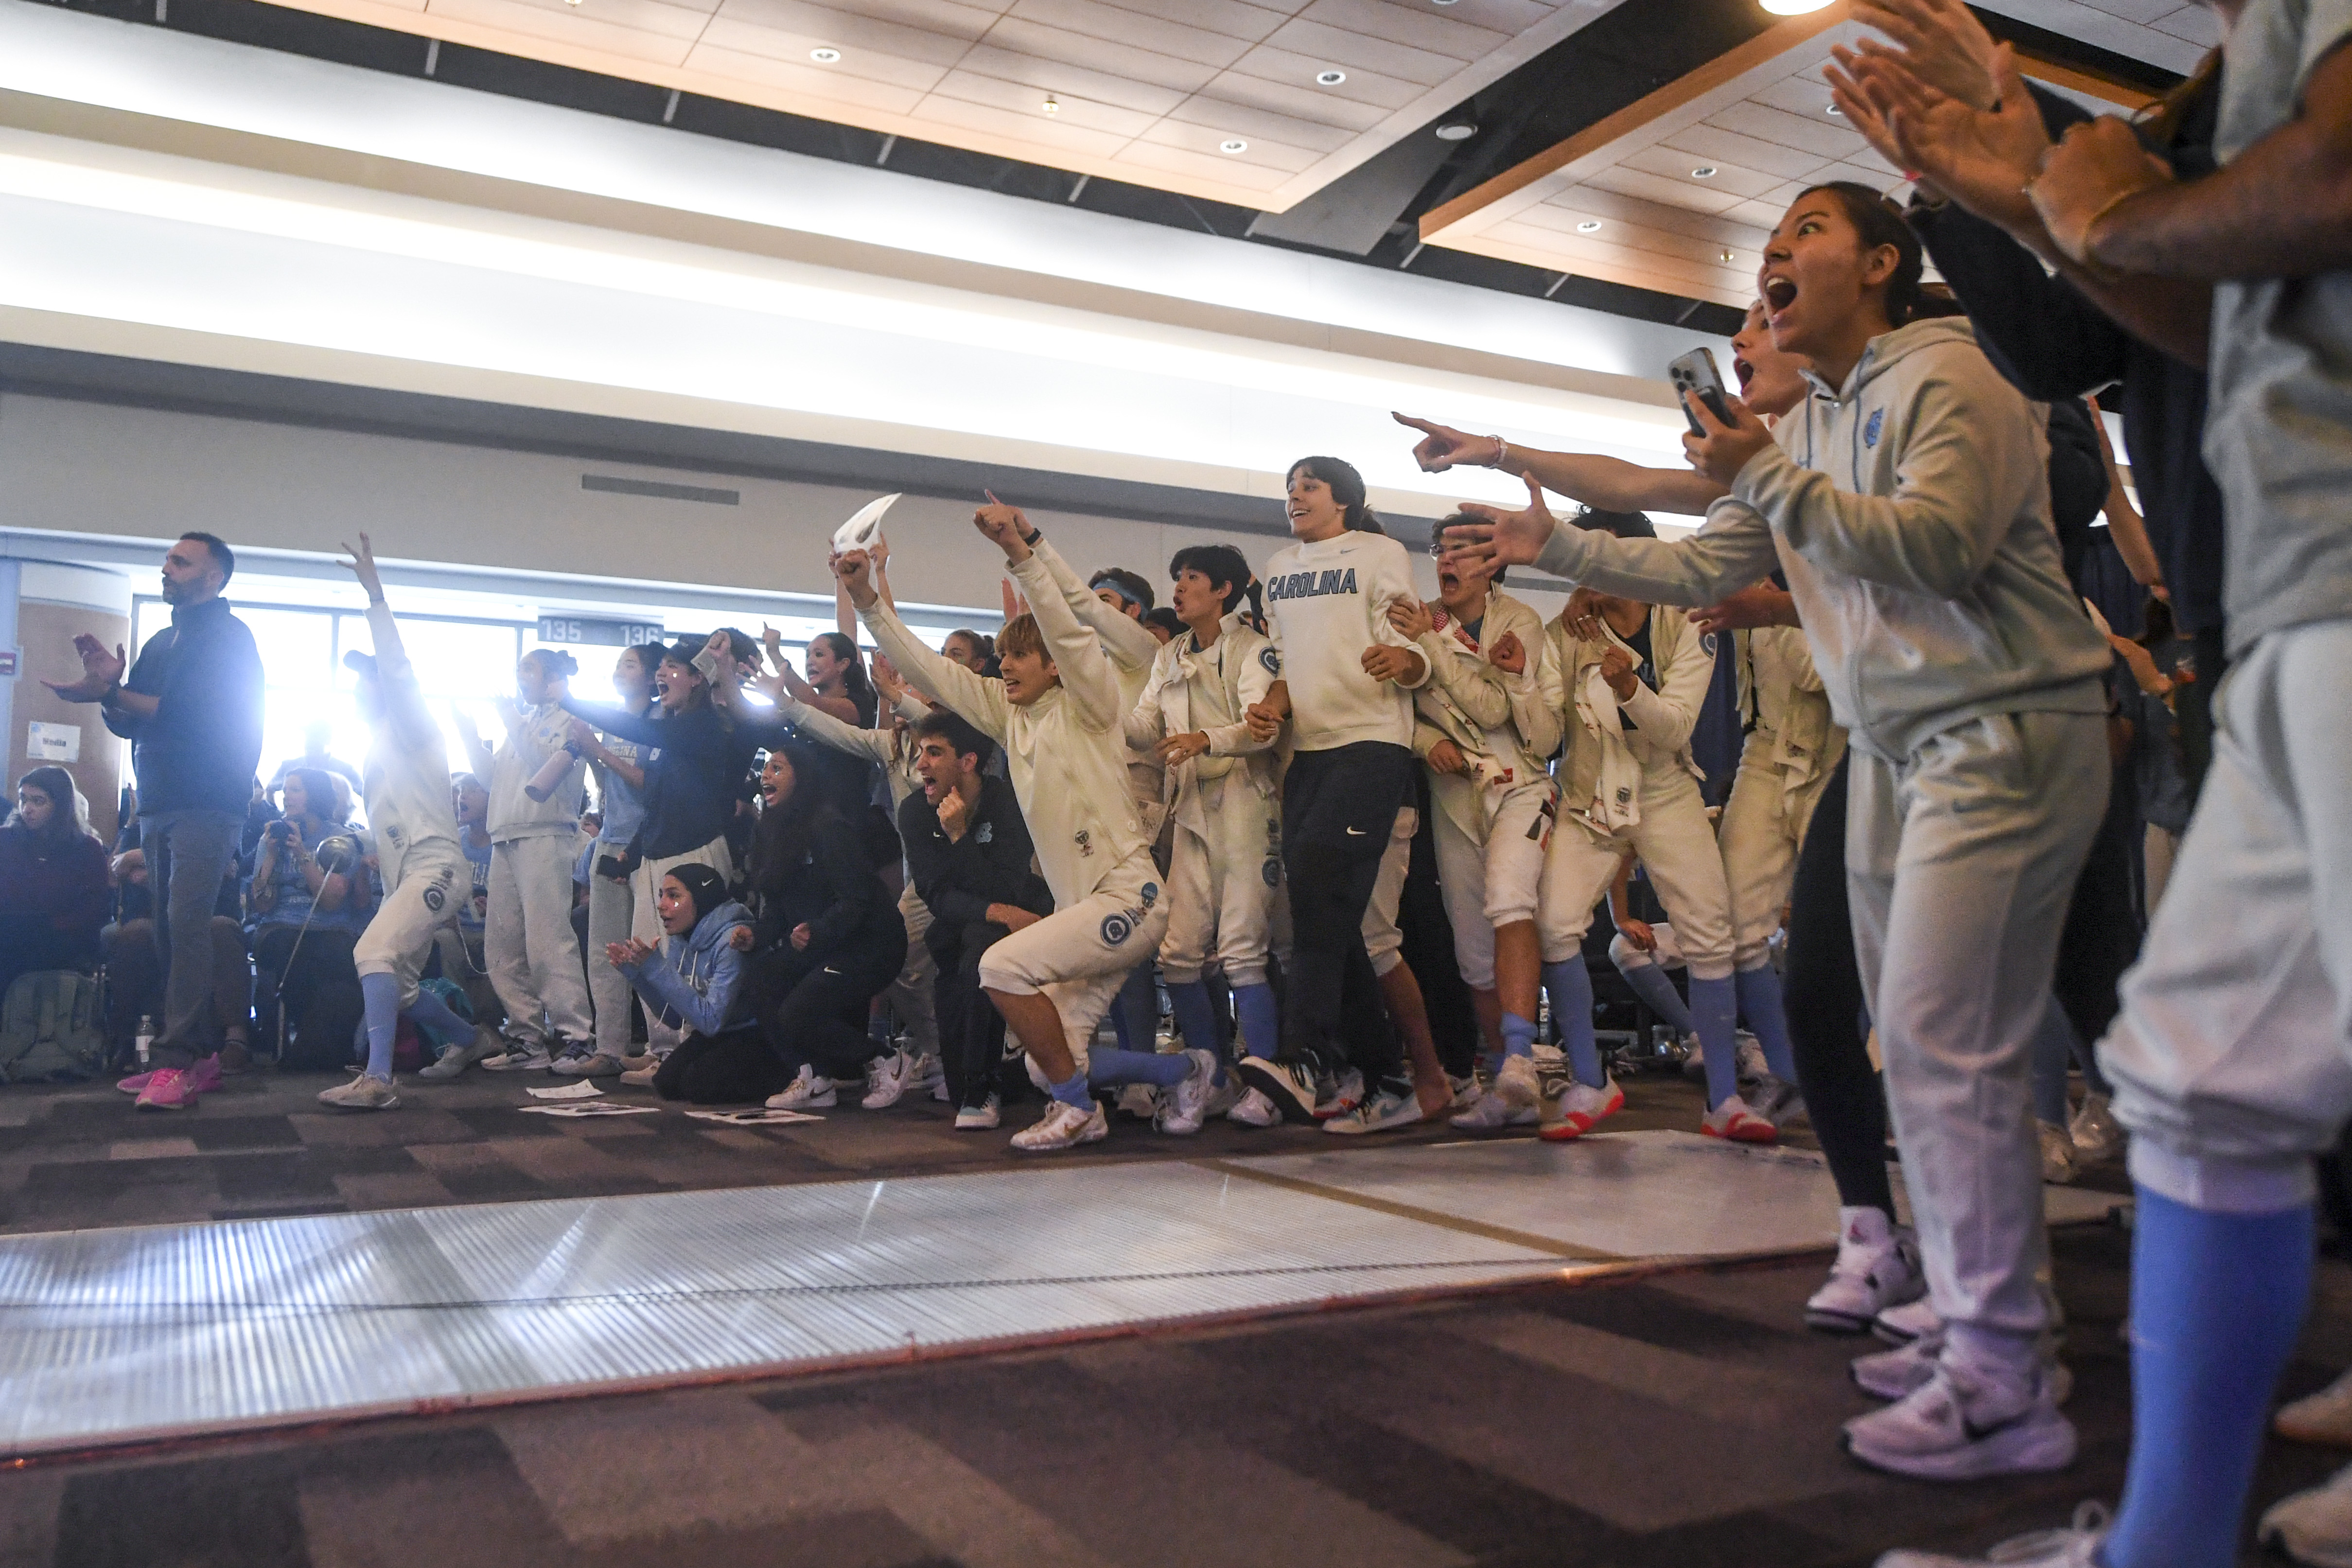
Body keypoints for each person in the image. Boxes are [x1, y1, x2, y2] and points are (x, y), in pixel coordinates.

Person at [1456, 182, 2113, 1481]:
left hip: (2000, 722)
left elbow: (1936, 550)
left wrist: (1753, 470)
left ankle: (2002, 1368)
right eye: (1767, 244)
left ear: (1879, 264)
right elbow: (1704, 565)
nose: (1771, 259)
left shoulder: (1953, 370)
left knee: (1951, 1041)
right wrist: (1557, 541)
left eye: (1804, 233)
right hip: (1897, 744)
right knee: (1916, 1045)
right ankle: (1975, 1321)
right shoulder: (1813, 420)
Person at [1839, 0, 2352, 1560]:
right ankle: (2162, 1547)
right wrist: (2029, 206)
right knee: (2196, 1084)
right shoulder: (2247, 51)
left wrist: (2103, 206)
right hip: (2282, 598)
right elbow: (2218, 325)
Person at [842, 501, 1212, 1153]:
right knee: (1049, 1061)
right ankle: (1186, 1071)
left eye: (1020, 656)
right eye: (1004, 656)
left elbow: (1071, 637)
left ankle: (1078, 1111)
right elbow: (929, 668)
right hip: (1083, 909)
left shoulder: (1091, 705)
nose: (1006, 666)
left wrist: (1020, 553)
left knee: (1000, 967)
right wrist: (865, 599)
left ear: (1054, 667)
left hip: (1129, 896)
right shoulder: (1008, 715)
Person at [1236, 457, 1432, 1134]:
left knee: (1322, 887)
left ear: (1343, 499)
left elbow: (1408, 645)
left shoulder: (1379, 553)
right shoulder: (1277, 568)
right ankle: (1391, 1078)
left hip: (1372, 744)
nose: (1294, 496)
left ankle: (1303, 1058)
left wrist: (1404, 660)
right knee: (1326, 915)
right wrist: (1272, 707)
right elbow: (1287, 663)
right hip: (1311, 754)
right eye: (1289, 488)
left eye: (1308, 486)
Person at [1536, 576, 1767, 1142]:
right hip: (1589, 790)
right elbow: (1545, 736)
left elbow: (1675, 728)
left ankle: (1723, 1098)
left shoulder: (1684, 619)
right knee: (1553, 926)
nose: (1588, 571)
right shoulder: (1564, 630)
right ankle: (1590, 1081)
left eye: (1602, 556)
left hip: (1664, 788)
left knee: (1710, 933)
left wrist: (1629, 688)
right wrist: (1524, 678)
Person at [41, 531, 263, 1112]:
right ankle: (198, 1057)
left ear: (213, 577)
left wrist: (115, 691)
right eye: (167, 559)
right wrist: (105, 693)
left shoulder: (228, 638)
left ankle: (176, 1059)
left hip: (208, 800)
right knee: (167, 927)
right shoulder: (163, 641)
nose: (167, 568)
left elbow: (188, 713)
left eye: (180, 562)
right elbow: (130, 720)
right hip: (160, 802)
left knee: (187, 923)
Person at [1387, 517, 1568, 1134]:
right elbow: (1399, 713)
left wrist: (1433, 644)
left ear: (1490, 564)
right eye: (1440, 549)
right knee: (1470, 951)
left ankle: (1519, 1056)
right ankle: (1505, 1086)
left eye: (1462, 551)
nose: (1447, 560)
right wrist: (1426, 744)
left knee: (1509, 899)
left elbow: (1493, 709)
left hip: (1519, 786)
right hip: (1454, 797)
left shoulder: (1516, 620)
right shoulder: (1414, 621)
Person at [322, 534, 506, 1111]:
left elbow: (400, 673)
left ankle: (378, 1080)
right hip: (407, 874)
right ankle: (471, 1040)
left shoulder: (414, 727)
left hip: (438, 866)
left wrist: (376, 599)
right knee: (398, 985)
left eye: (367, 678)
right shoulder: (379, 743)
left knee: (372, 953)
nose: (360, 688)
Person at [1123, 544, 1277, 1129]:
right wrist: (1098, 714)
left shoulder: (1251, 649)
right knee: (1179, 953)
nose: (1180, 587)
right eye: (1178, 578)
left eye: (1192, 577)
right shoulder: (1169, 655)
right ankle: (1209, 1078)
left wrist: (1206, 740)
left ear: (1223, 590)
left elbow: (1262, 727)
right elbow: (1144, 725)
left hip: (1245, 804)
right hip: (1189, 810)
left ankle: (1263, 1084)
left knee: (1242, 951)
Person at [760, 652, 942, 1110]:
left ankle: (927, 1058)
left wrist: (893, 693)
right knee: (905, 975)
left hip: (956, 873)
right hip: (917, 882)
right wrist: (787, 704)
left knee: (957, 969)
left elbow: (857, 899)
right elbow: (835, 732)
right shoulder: (889, 746)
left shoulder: (953, 741)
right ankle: (825, 1073)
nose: (900, 698)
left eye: (911, 690)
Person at [557, 639, 740, 1059]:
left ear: (697, 678)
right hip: (659, 855)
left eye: (673, 666)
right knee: (647, 953)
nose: (662, 673)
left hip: (695, 854)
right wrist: (636, 851)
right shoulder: (672, 733)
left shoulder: (703, 726)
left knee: (687, 959)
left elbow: (639, 730)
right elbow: (658, 797)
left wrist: (571, 701)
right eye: (662, 666)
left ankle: (685, 1053)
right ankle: (661, 1051)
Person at [720, 742, 908, 1109]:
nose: (766, 775)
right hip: (820, 943)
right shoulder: (770, 832)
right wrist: (756, 935)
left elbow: (857, 900)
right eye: (766, 768)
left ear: (802, 778)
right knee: (761, 981)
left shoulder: (829, 828)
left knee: (798, 1012)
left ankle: (885, 1059)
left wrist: (818, 930)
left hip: (871, 944)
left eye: (778, 768)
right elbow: (778, 908)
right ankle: (813, 1076)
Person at [899, 709, 1047, 1129]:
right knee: (950, 942)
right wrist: (997, 911)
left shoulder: (1007, 802)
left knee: (980, 952)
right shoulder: (915, 811)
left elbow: (1007, 886)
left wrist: (960, 836)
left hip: (1024, 914)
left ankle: (984, 1085)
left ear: (967, 762)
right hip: (976, 918)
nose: (921, 764)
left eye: (934, 752)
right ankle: (986, 1074)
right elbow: (936, 894)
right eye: (920, 752)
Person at [456, 649, 594, 1071]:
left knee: (548, 940)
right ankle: (526, 1036)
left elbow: (542, 765)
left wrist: (508, 716)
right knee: (503, 943)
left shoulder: (570, 718)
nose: (519, 676)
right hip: (506, 835)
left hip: (546, 834)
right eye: (518, 669)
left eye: (528, 669)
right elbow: (492, 780)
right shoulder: (527, 719)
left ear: (551, 677)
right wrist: (469, 735)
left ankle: (577, 1035)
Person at [563, 643, 658, 1074]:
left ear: (651, 676)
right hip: (608, 841)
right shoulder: (614, 723)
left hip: (645, 845)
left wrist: (599, 750)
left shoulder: (658, 722)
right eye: (619, 663)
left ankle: (660, 1048)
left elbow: (648, 783)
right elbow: (608, 785)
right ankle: (610, 1048)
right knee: (605, 950)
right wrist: (590, 752)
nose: (621, 670)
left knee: (646, 949)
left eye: (630, 664)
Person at [609, 865, 768, 1104]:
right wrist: (637, 975)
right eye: (661, 895)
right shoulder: (683, 938)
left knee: (698, 1085)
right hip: (719, 1034)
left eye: (673, 896)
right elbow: (675, 1018)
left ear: (702, 899)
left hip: (755, 1034)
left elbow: (712, 1021)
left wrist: (658, 969)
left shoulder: (733, 941)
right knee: (666, 1083)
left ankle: (782, 1075)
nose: (662, 905)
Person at [246, 767, 370, 1066]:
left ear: (315, 795)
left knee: (335, 956)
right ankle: (313, 1045)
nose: (286, 795)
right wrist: (271, 856)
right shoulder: (270, 838)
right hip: (281, 927)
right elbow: (263, 906)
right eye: (285, 789)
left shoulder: (341, 839)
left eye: (295, 789)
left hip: (330, 929)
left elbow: (331, 902)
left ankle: (307, 1046)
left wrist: (302, 854)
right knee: (290, 948)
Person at [0, 766, 111, 1000]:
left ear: (60, 806)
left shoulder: (87, 848)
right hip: (11, 932)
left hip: (63, 939)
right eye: (23, 799)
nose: (27, 809)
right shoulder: (6, 839)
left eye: (38, 801)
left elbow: (97, 909)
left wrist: (54, 926)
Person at [265, 721, 363, 794]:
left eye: (315, 737)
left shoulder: (345, 770)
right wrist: (274, 812)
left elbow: (366, 794)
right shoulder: (289, 766)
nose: (310, 741)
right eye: (308, 736)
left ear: (328, 740)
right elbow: (269, 790)